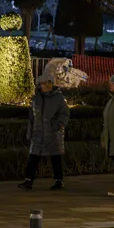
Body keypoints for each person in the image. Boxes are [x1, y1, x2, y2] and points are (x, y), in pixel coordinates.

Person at [19, 63, 70, 191]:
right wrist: (30, 131)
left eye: (48, 83)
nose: (46, 86)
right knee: (33, 157)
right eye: (44, 83)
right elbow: (31, 116)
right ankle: (28, 180)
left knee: (55, 157)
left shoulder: (58, 98)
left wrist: (56, 126)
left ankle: (58, 180)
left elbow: (64, 114)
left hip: (53, 133)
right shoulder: (36, 98)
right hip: (38, 132)